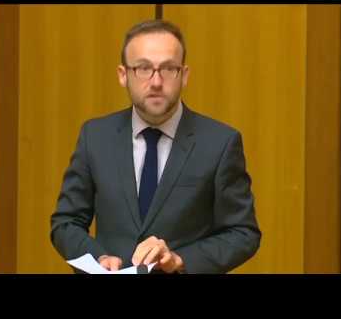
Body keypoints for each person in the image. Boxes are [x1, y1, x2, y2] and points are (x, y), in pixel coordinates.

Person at [50, 19, 261, 274]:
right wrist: (98, 258)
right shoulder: (95, 136)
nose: (156, 81)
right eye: (143, 68)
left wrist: (180, 260)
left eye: (168, 69)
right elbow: (66, 222)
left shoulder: (220, 143)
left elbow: (243, 233)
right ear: (123, 75)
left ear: (184, 75)